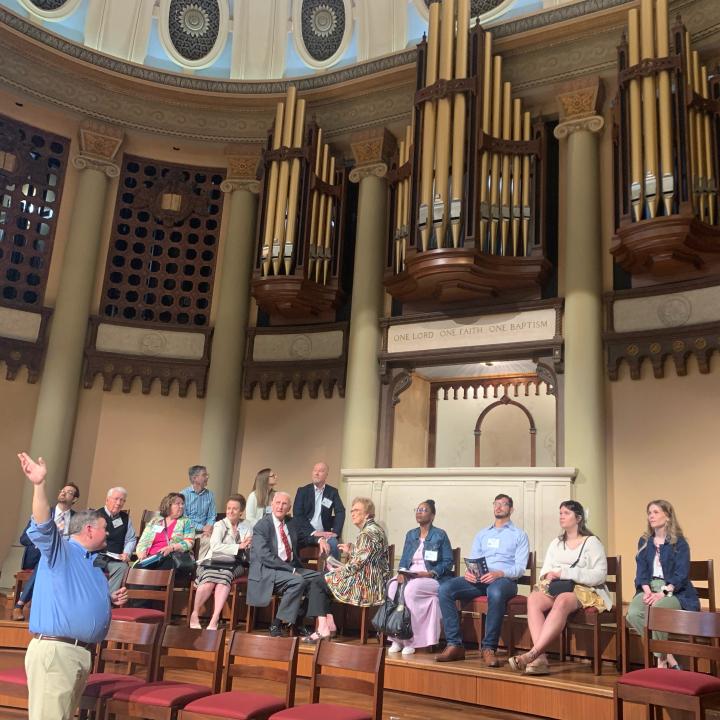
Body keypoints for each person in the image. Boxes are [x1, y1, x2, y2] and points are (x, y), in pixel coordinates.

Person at [17, 452, 128, 720]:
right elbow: (43, 524)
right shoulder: (61, 551)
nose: (109, 533)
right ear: (89, 529)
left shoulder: (93, 564)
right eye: (104, 528)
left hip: (79, 653)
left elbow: (78, 598)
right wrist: (39, 485)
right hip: (56, 653)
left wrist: (111, 599)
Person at [508, 499, 610, 675]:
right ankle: (540, 659)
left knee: (562, 600)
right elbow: (546, 569)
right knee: (533, 598)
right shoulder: (556, 542)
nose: (562, 516)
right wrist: (548, 575)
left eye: (566, 513)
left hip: (584, 589)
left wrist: (565, 573)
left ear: (578, 518)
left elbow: (600, 575)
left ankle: (533, 653)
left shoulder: (592, 542)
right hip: (557, 586)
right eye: (560, 513)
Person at [435, 494, 530, 666]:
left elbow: (520, 568)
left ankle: (489, 648)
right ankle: (454, 645)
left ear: (511, 509)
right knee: (445, 589)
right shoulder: (482, 534)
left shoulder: (519, 535)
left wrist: (499, 574)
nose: (499, 507)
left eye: (503, 504)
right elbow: (474, 559)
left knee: (495, 591)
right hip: (480, 579)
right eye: (496, 504)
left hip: (505, 581)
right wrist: (470, 573)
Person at [302, 497, 390, 643]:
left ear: (367, 514)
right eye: (352, 511)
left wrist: (340, 570)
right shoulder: (374, 529)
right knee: (323, 579)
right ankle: (329, 624)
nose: (352, 514)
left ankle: (323, 627)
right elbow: (367, 558)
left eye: (357, 510)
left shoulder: (367, 533)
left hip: (365, 585)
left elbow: (357, 565)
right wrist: (351, 551)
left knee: (318, 581)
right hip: (373, 580)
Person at [625, 499, 699, 669]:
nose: (651, 516)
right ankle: (667, 655)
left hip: (674, 590)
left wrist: (663, 593)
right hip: (649, 588)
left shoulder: (679, 543)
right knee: (633, 614)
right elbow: (641, 572)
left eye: (656, 512)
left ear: (667, 516)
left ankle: (661, 662)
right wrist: (647, 591)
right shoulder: (644, 541)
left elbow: (681, 574)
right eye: (649, 513)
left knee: (658, 611)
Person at [247, 491, 329, 637]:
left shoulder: (291, 523)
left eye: (284, 504)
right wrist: (290, 571)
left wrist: (319, 540)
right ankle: (276, 624)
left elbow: (305, 538)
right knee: (298, 581)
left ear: (289, 507)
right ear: (272, 505)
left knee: (321, 579)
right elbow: (265, 556)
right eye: (277, 503)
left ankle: (298, 619)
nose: (280, 506)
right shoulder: (262, 526)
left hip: (290, 567)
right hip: (269, 570)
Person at [386, 499, 454, 655]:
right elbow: (404, 559)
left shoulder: (440, 535)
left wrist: (431, 573)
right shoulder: (411, 534)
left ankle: (411, 640)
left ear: (433, 515)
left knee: (411, 589)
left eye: (424, 510)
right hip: (411, 575)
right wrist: (402, 573)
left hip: (432, 578)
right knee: (392, 586)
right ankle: (396, 638)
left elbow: (448, 562)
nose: (419, 512)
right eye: (417, 509)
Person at [13, 481, 80, 621]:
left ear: (75, 499)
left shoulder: (77, 518)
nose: (63, 492)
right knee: (45, 561)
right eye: (63, 490)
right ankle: (20, 605)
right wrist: (40, 543)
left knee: (49, 561)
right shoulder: (44, 512)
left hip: (64, 557)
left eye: (69, 492)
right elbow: (24, 539)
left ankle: (20, 604)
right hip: (40, 555)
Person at [190, 494, 253, 630]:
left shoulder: (247, 525)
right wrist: (238, 546)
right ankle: (195, 614)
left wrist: (247, 545)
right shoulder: (220, 524)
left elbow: (248, 545)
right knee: (208, 580)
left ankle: (215, 618)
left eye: (234, 509)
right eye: (228, 508)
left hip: (235, 564)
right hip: (213, 561)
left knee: (225, 577)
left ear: (241, 511)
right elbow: (215, 546)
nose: (230, 511)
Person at [292, 461, 345, 559]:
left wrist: (336, 532)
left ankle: (333, 572)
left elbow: (340, 511)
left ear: (326, 475)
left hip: (325, 533)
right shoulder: (303, 491)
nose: (316, 473)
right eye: (315, 470)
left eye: (320, 471)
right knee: (293, 541)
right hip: (306, 533)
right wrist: (313, 532)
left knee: (333, 543)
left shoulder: (332, 492)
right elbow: (297, 514)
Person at [135, 492, 195, 569]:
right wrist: (141, 553)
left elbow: (189, 542)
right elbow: (143, 541)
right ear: (168, 505)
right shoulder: (155, 521)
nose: (181, 506)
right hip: (150, 557)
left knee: (163, 568)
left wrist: (172, 548)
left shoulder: (186, 521)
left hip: (171, 557)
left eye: (182, 504)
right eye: (177, 504)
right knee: (137, 569)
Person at [96, 486, 137, 593]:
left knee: (122, 568)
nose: (119, 503)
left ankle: (108, 599)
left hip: (116, 558)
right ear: (107, 499)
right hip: (98, 556)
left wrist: (127, 553)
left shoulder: (125, 518)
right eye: (116, 499)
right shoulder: (96, 515)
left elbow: (131, 539)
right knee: (94, 566)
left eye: (122, 500)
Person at [182, 465, 216, 550]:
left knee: (217, 541)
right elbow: (184, 518)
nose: (207, 477)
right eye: (204, 475)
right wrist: (202, 528)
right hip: (188, 532)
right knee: (209, 542)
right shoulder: (183, 495)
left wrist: (208, 527)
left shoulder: (210, 494)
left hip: (206, 532)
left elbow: (212, 515)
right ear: (194, 478)